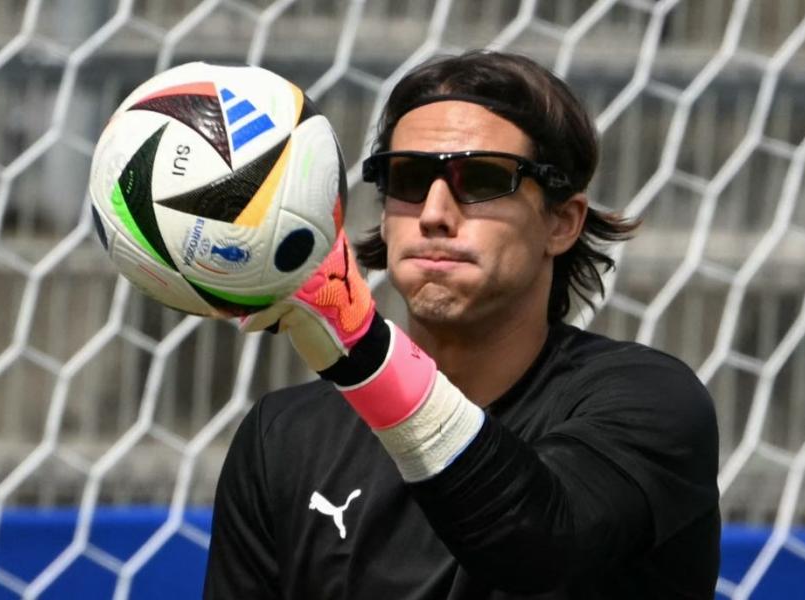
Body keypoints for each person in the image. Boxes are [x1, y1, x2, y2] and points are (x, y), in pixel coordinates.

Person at [204, 50, 720, 599]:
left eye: (479, 179)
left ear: (562, 223)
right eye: (408, 177)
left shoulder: (653, 403)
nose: (433, 212)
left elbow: (539, 548)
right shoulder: (284, 439)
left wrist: (359, 342)